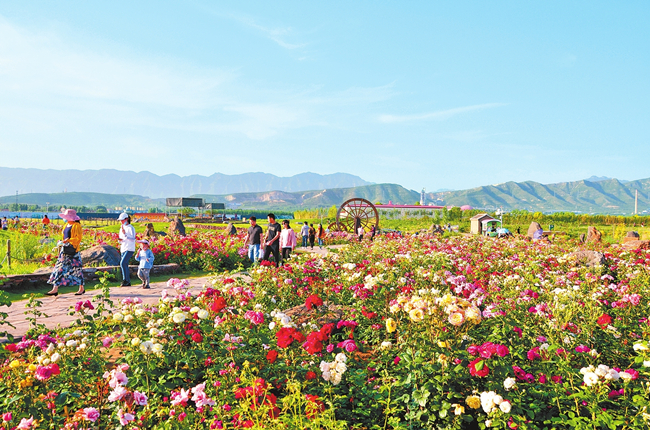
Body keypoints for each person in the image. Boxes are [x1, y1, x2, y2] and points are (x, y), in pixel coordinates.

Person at [46, 209, 84, 296]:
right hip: (65, 249)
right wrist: (63, 241)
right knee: (59, 267)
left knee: (77, 269)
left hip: (73, 250)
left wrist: (69, 240)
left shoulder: (76, 226)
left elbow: (78, 238)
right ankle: (55, 288)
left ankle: (81, 288)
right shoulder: (66, 225)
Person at [118, 212, 136, 286]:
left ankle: (126, 280)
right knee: (124, 264)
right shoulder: (121, 228)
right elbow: (121, 238)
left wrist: (125, 234)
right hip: (123, 247)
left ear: (126, 219)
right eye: (121, 220)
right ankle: (126, 280)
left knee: (123, 263)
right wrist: (120, 240)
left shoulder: (130, 228)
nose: (121, 222)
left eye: (122, 220)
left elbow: (132, 238)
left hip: (129, 248)